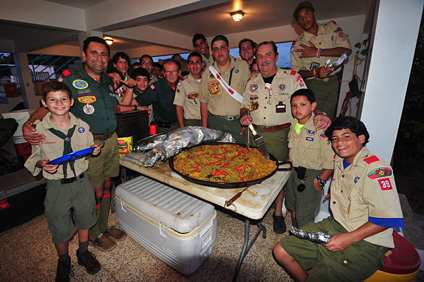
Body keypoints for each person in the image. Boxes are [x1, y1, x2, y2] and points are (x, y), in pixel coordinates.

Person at [23, 36, 127, 253]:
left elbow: (112, 107)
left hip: (111, 141)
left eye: (103, 54)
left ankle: (103, 227)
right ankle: (94, 233)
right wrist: (30, 123)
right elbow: (51, 103)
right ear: (84, 55)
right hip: (89, 145)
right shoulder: (70, 79)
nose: (99, 58)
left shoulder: (108, 80)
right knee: (95, 191)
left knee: (108, 185)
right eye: (94, 53)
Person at [273, 116, 404, 282]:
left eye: (346, 136)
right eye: (335, 139)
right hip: (336, 225)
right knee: (281, 251)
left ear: (361, 139)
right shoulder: (340, 160)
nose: (339, 142)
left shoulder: (376, 170)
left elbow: (387, 219)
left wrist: (348, 238)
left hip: (366, 241)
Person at [240, 41, 331, 233]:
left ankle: (278, 213)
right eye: (259, 56)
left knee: (279, 175)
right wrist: (243, 114)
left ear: (275, 56)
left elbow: (307, 100)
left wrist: (321, 113)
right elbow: (244, 103)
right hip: (255, 133)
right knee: (254, 170)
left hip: (280, 133)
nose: (263, 60)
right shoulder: (252, 82)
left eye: (267, 55)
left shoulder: (291, 77)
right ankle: (255, 206)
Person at [24, 82, 102, 281]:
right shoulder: (39, 130)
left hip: (82, 181)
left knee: (85, 217)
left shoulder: (82, 126)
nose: (59, 103)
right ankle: (63, 260)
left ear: (71, 101)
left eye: (63, 99)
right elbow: (34, 158)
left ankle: (83, 252)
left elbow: (87, 151)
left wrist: (94, 150)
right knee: (58, 225)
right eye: (52, 99)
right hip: (57, 186)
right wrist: (42, 163)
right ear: (44, 103)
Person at [291, 1, 352, 120]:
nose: (305, 19)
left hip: (334, 82)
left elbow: (347, 51)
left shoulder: (331, 28)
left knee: (327, 118)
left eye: (307, 14)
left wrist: (318, 52)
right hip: (314, 85)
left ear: (314, 13)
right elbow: (297, 72)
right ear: (297, 22)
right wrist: (315, 72)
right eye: (300, 18)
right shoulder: (298, 45)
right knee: (311, 119)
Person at [285, 89, 334, 228]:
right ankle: (295, 233)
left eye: (302, 105)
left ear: (313, 106)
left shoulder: (321, 128)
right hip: (293, 173)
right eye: (294, 105)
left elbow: (330, 162)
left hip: (311, 175)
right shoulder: (293, 124)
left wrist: (319, 181)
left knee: (304, 215)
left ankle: (303, 243)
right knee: (293, 207)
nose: (297, 109)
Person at [199, 35, 251, 144]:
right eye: (216, 49)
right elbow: (203, 102)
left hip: (238, 123)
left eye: (222, 47)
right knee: (216, 157)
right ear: (213, 53)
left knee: (239, 157)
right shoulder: (207, 73)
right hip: (215, 123)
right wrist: (205, 129)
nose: (220, 51)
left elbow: (249, 96)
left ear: (228, 49)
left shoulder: (242, 67)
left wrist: (247, 120)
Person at [130, 59, 181, 133]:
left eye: (174, 71)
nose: (171, 74)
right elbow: (136, 101)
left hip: (182, 126)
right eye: (168, 71)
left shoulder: (184, 85)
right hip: (164, 129)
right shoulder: (157, 87)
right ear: (163, 73)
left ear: (179, 73)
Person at [174, 52, 202, 127]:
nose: (195, 65)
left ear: (202, 65)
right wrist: (182, 127)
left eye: (197, 62)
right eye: (192, 63)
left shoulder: (208, 80)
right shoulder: (183, 82)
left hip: (209, 120)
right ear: (188, 66)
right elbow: (179, 106)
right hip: (192, 122)